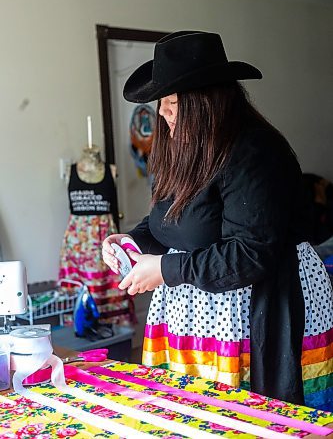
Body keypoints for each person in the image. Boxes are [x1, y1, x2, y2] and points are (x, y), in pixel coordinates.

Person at [102, 30, 333, 411]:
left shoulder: (254, 150)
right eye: (162, 102)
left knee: (255, 416)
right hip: (196, 308)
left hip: (261, 305)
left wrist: (166, 269)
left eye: (173, 102)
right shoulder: (180, 146)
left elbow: (252, 253)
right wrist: (130, 242)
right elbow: (171, 220)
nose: (162, 112)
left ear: (206, 102)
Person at [59, 144, 133, 327]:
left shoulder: (111, 171)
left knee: (111, 284)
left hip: (104, 239)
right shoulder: (71, 170)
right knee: (79, 291)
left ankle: (113, 340)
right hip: (77, 245)